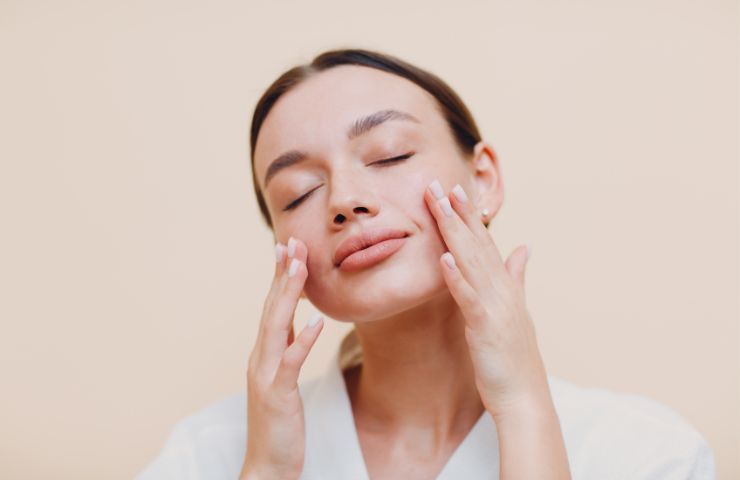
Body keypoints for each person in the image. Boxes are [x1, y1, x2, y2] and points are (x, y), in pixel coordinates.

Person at [137, 48, 717, 479]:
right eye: (297, 193)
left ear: (483, 179)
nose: (345, 200)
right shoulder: (205, 454)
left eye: (391, 154)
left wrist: (523, 410)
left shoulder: (650, 454)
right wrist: (266, 468)